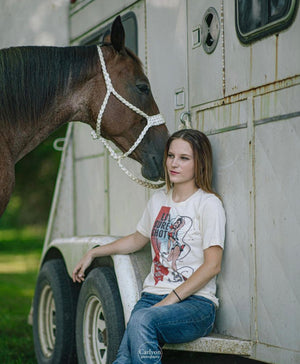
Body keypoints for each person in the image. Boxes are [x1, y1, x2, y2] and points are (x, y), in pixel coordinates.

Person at [72, 129, 226, 364]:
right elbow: (137, 239)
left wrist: (171, 299)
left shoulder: (208, 204)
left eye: (184, 158)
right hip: (151, 299)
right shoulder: (158, 201)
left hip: (195, 304)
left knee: (142, 321)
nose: (174, 163)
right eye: (171, 155)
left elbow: (212, 266)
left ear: (200, 163)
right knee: (123, 359)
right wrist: (95, 251)